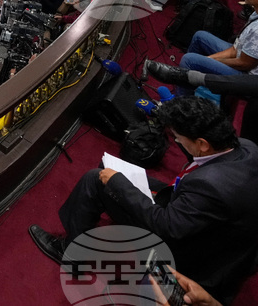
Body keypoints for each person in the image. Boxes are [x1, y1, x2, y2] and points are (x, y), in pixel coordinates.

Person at [28, 97, 258, 305]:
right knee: (108, 170)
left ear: (202, 144)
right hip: (210, 228)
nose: (176, 141)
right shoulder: (246, 147)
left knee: (96, 179)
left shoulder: (209, 185)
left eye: (178, 137)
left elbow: (165, 226)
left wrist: (117, 183)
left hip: (193, 255)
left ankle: (72, 255)